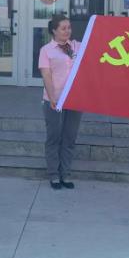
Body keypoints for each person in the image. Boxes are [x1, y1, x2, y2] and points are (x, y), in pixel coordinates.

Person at [38, 14, 83, 190]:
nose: (67, 31)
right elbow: (46, 75)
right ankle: (54, 175)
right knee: (54, 137)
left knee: (69, 137)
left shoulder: (77, 46)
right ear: (54, 30)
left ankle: (65, 173)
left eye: (69, 28)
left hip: (75, 99)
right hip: (54, 100)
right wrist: (52, 97)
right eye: (63, 28)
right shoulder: (46, 50)